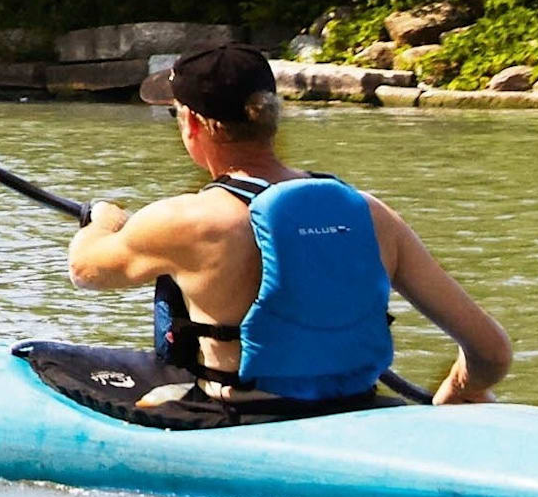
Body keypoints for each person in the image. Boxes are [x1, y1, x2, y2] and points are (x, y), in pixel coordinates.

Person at [66, 40, 514, 407]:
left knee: (47, 363)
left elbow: (86, 269)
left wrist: (105, 218)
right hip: (357, 408)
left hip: (242, 418)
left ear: (194, 123)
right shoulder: (370, 212)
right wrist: (458, 393)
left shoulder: (186, 219)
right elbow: (491, 352)